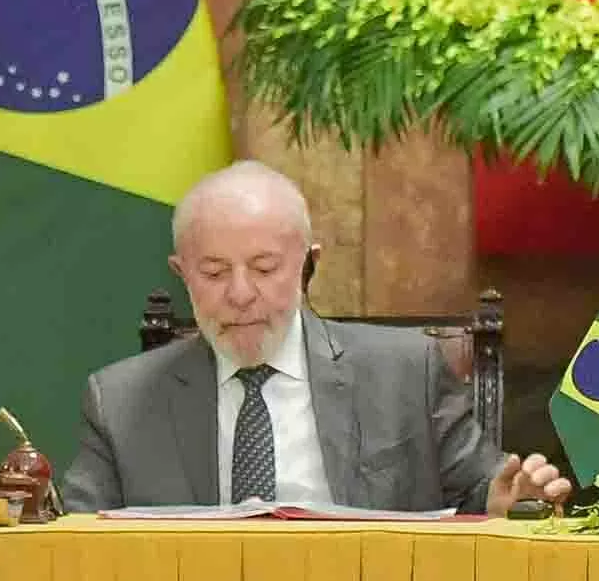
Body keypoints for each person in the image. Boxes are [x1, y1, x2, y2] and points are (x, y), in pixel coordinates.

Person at [60, 162, 571, 516]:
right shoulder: (121, 403)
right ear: (182, 274)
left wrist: (510, 500)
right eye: (213, 273)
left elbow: (482, 490)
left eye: (265, 268)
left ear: (309, 265)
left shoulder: (404, 374)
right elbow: (74, 544)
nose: (240, 294)